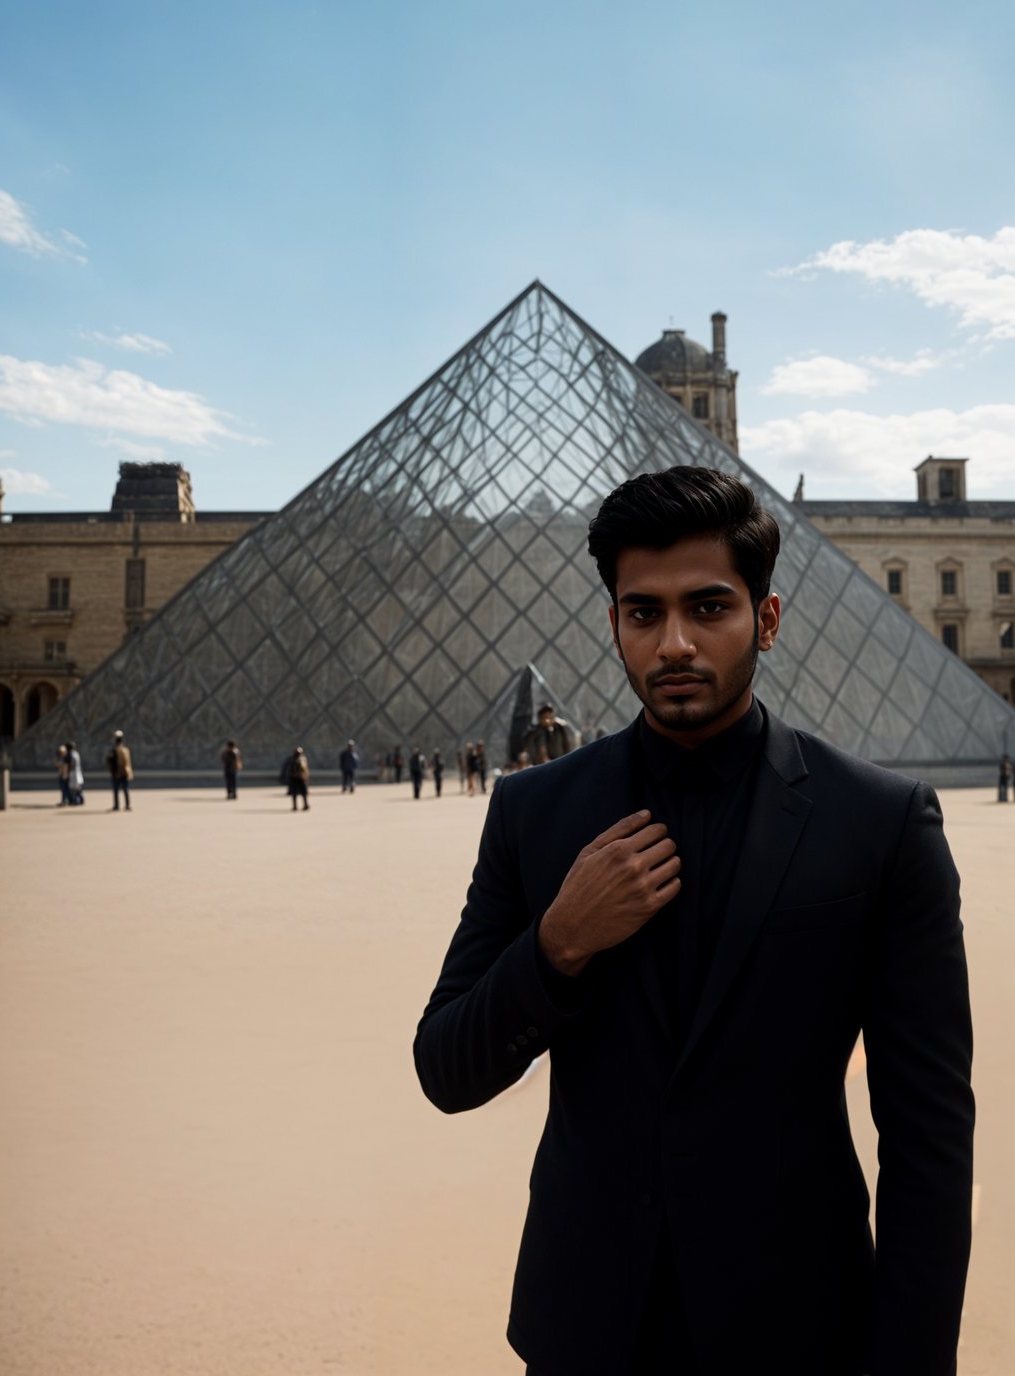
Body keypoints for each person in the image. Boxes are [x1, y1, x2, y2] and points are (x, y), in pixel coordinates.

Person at [415, 465, 974, 1376]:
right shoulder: (535, 813)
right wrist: (558, 945)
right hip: (588, 1328)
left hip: (799, 1328)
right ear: (614, 626)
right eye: (644, 613)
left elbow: (929, 1136)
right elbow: (445, 1068)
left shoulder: (880, 823)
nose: (674, 642)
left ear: (768, 618)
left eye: (708, 607)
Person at [106, 730, 133, 811]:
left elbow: (109, 762)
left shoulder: (114, 750)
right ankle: (126, 805)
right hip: (123, 772)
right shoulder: (125, 750)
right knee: (124, 790)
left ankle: (117, 805)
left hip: (118, 773)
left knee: (117, 790)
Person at [288, 746, 310, 811]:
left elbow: (305, 769)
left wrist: (306, 776)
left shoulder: (303, 759)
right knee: (294, 793)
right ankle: (295, 806)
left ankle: (305, 805)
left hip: (302, 778)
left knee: (304, 793)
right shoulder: (292, 760)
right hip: (295, 778)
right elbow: (290, 770)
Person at [65, 740, 85, 805]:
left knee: (74, 788)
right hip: (78, 771)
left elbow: (69, 764)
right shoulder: (76, 753)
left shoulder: (69, 754)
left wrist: (66, 773)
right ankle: (81, 799)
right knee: (78, 787)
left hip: (73, 772)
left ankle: (76, 800)